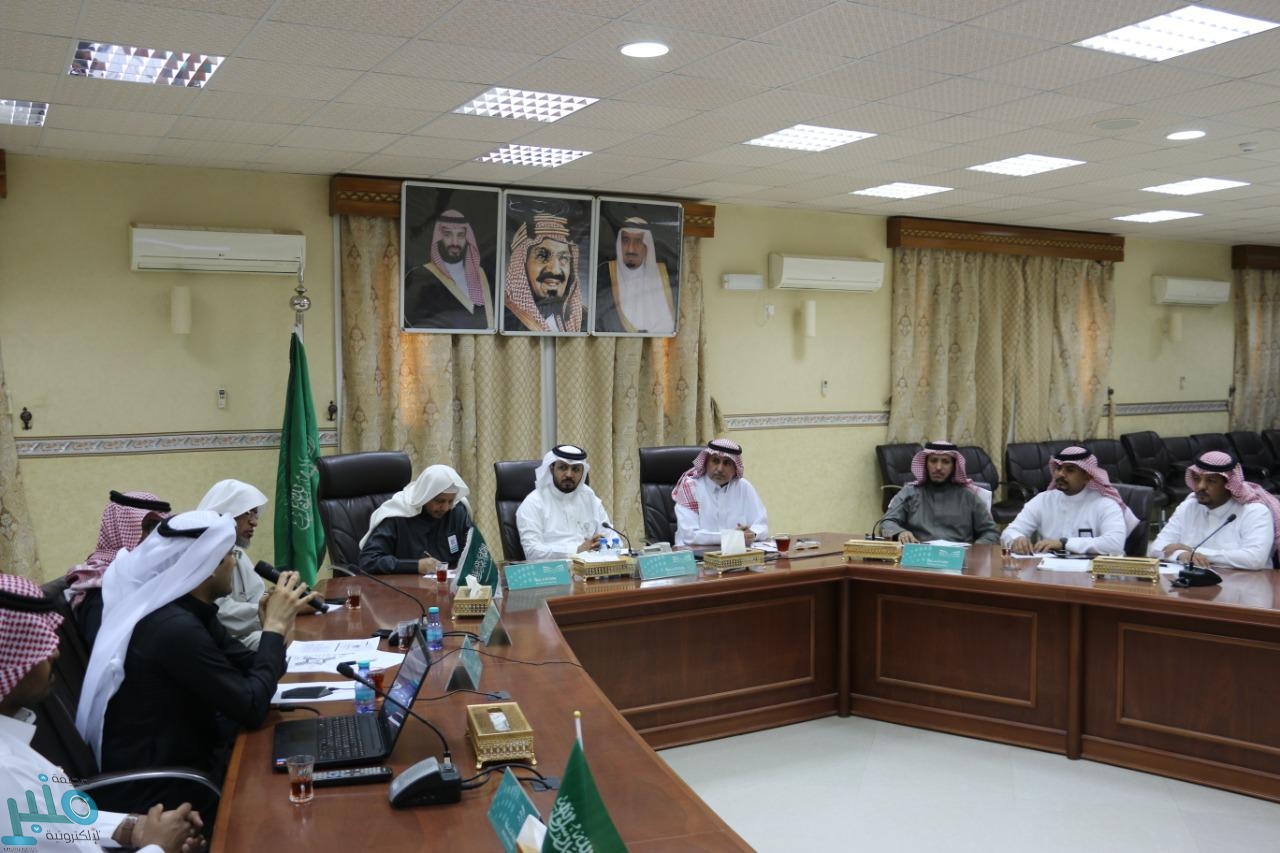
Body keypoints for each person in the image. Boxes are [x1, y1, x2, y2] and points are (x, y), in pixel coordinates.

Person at [76, 511, 315, 817]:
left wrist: (277, 625)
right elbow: (252, 706)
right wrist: (274, 628)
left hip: (198, 757)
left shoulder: (190, 610)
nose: (235, 564)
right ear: (209, 565)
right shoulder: (173, 628)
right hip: (165, 792)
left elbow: (254, 668)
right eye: (230, 555)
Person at [0, 573, 206, 853]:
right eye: (36, 645)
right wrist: (158, 846)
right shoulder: (7, 774)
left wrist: (137, 829)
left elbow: (57, 821)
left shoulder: (11, 741)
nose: (53, 653)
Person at [66, 490, 172, 647]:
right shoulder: (98, 586)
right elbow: (107, 650)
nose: (151, 537)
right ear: (118, 529)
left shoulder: (150, 571)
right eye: (147, 527)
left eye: (156, 527)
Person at [1149, 450, 1280, 569]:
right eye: (1197, 479)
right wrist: (1181, 555)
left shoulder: (1254, 511)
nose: (1200, 486)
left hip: (1246, 584)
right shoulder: (1189, 506)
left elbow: (1255, 559)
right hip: (1195, 581)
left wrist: (1193, 552)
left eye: (1211, 481)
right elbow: (1156, 547)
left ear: (1228, 484)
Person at [1001, 446, 1137, 556]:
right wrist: (1017, 539)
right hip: (1049, 573)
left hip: (1093, 575)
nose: (1060, 474)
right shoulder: (1043, 500)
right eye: (1059, 468)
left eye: (1070, 470)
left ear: (1088, 476)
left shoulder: (1105, 504)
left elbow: (1115, 544)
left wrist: (1064, 543)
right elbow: (1009, 532)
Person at [358, 465, 474, 574]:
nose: (445, 508)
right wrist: (416, 566)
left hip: (448, 584)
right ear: (425, 496)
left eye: (450, 501)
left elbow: (474, 551)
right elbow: (368, 561)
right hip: (403, 586)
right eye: (439, 501)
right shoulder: (398, 514)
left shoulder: (457, 510)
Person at [195, 479, 269, 650]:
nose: (254, 522)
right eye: (248, 513)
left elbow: (257, 595)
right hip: (213, 643)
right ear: (226, 511)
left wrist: (278, 600)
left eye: (255, 514)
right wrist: (271, 611)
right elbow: (220, 613)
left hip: (244, 637)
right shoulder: (205, 554)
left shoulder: (237, 552)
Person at [880, 441, 999, 544]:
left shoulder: (968, 496)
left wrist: (975, 550)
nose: (938, 467)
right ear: (925, 464)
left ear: (954, 466)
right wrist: (900, 532)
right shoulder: (910, 492)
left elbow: (991, 533)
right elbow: (887, 522)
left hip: (958, 557)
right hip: (919, 554)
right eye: (933, 461)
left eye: (945, 462)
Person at [403, 209, 494, 330]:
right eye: (447, 235)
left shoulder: (484, 275)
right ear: (438, 238)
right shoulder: (420, 275)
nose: (454, 243)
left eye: (460, 235)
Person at [516, 445, 611, 560]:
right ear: (552, 468)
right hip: (553, 569)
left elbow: (611, 537)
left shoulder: (589, 497)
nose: (569, 474)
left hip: (591, 567)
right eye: (563, 467)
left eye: (575, 469)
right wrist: (577, 550)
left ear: (582, 472)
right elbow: (532, 552)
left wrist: (604, 545)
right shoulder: (534, 502)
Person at [672, 439, 769, 548]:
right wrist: (733, 536)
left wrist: (752, 534)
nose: (720, 469)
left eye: (727, 463)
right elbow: (690, 536)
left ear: (735, 467)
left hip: (735, 553)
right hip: (694, 554)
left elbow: (762, 526)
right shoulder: (690, 487)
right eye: (715, 461)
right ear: (706, 462)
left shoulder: (743, 487)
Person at [502, 213, 584, 332]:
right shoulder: (505, 320)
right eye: (542, 256)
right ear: (521, 265)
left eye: (564, 258)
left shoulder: (584, 320)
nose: (555, 270)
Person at [595, 217, 675, 334]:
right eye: (625, 241)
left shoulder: (664, 275)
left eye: (638, 241)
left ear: (647, 246)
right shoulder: (604, 273)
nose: (631, 249)